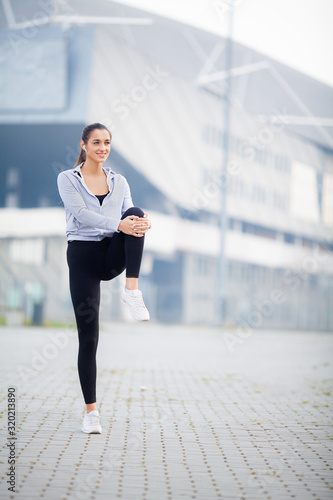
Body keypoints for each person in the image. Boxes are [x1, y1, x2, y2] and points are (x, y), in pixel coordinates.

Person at [57, 122, 151, 434]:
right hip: (82, 257)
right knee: (89, 337)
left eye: (107, 142)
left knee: (136, 212)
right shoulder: (68, 179)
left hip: (111, 255)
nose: (102, 148)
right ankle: (91, 413)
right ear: (83, 145)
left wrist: (139, 224)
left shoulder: (119, 181)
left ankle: (132, 291)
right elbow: (81, 214)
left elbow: (127, 215)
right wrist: (121, 225)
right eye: (96, 142)